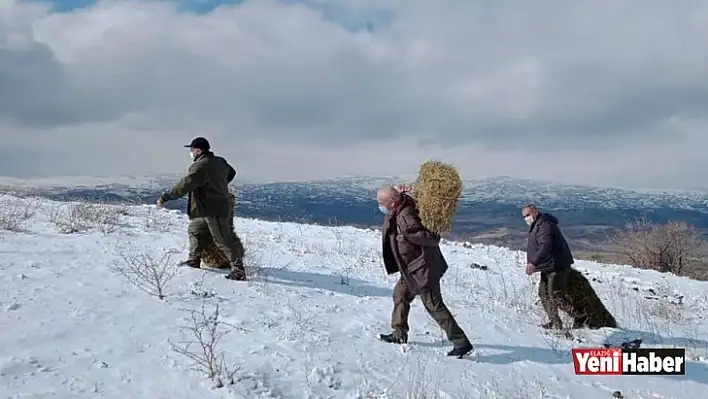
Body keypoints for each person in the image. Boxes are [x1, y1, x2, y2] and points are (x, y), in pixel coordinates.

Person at [377, 185, 473, 358]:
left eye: (381, 202)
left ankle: (461, 343)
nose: (379, 205)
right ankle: (399, 333)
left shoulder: (405, 220)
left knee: (434, 306)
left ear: (391, 203)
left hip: (422, 271)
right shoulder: (400, 204)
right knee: (400, 295)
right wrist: (400, 191)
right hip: (410, 270)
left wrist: (427, 234)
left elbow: (430, 238)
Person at [157, 137, 246, 281]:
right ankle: (194, 260)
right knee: (195, 230)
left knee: (222, 240)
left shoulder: (200, 166)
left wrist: (166, 197)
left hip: (214, 208)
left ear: (198, 151)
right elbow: (232, 173)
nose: (191, 153)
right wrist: (219, 184)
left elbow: (185, 185)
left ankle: (238, 270)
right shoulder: (220, 161)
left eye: (192, 150)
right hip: (205, 209)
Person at [522, 204, 574, 329]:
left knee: (555, 296)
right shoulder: (538, 225)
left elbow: (545, 246)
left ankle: (581, 315)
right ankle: (555, 323)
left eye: (528, 215)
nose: (526, 218)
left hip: (557, 266)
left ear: (535, 212)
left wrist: (533, 262)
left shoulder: (544, 225)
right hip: (548, 266)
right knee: (543, 294)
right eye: (524, 216)